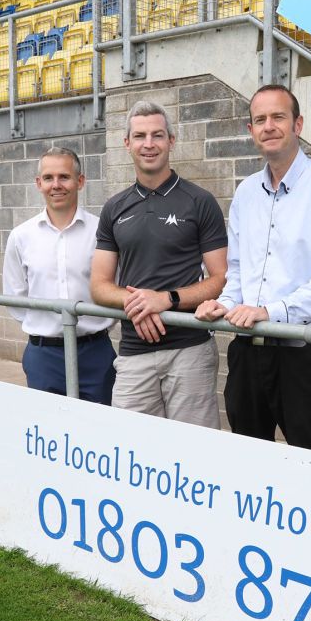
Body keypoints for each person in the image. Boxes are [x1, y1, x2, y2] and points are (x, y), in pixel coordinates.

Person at [196, 84, 311, 450]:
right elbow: (238, 269)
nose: (268, 126)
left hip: (303, 356)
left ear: (297, 125)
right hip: (247, 352)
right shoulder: (245, 192)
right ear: (250, 130)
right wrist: (225, 302)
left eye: (278, 117)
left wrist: (272, 312)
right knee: (248, 463)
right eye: (260, 119)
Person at [90, 101, 227, 428]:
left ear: (171, 140)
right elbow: (99, 285)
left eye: (157, 135)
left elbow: (221, 278)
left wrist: (166, 299)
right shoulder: (114, 208)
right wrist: (138, 303)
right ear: (127, 143)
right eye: (139, 136)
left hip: (189, 349)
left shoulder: (199, 201)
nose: (148, 144)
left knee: (197, 454)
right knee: (130, 449)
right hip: (133, 351)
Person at [2, 146, 116, 404]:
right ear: (38, 183)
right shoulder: (21, 236)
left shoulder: (102, 232)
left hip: (94, 352)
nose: (57, 185)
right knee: (48, 435)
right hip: (44, 356)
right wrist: (44, 328)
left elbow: (115, 286)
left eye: (64, 177)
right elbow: (15, 296)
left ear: (80, 181)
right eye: (49, 178)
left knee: (99, 434)